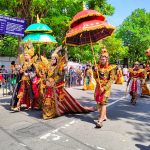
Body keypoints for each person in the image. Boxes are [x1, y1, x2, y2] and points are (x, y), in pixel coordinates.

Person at [42, 46, 94, 120]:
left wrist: (54, 81)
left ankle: (54, 112)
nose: (52, 60)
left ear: (57, 60)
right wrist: (46, 80)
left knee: (55, 100)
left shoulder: (59, 67)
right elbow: (46, 75)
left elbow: (61, 76)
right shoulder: (49, 67)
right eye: (52, 59)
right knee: (47, 99)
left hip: (55, 86)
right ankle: (47, 112)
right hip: (48, 86)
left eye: (54, 59)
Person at [11, 41, 41, 111]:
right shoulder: (23, 63)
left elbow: (35, 72)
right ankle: (18, 106)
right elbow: (20, 70)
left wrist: (29, 74)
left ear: (30, 55)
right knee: (21, 92)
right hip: (23, 80)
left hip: (30, 80)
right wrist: (19, 71)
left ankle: (33, 105)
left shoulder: (33, 63)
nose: (25, 56)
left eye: (26, 55)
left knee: (31, 92)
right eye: (24, 55)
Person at [93, 47, 116, 128]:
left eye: (104, 59)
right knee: (98, 101)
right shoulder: (97, 67)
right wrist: (95, 73)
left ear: (107, 60)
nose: (102, 60)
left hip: (106, 88)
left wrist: (105, 88)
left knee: (103, 102)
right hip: (98, 86)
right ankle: (103, 116)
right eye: (101, 59)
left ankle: (100, 120)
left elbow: (111, 79)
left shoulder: (111, 68)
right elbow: (95, 76)